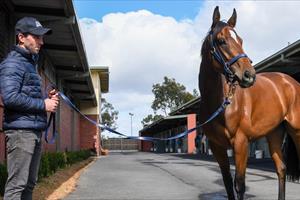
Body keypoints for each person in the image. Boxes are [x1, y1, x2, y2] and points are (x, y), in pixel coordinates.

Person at [0, 17, 59, 200]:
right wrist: (43, 104)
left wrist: (45, 99)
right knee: (16, 186)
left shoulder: (29, 64)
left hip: (33, 131)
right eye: (36, 37)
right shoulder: (12, 64)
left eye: (41, 38)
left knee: (29, 184)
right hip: (20, 133)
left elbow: (24, 96)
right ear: (21, 38)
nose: (41, 42)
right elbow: (10, 98)